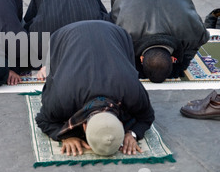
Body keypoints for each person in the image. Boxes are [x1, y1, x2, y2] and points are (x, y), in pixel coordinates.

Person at [36, 21, 155, 156]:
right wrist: (67, 136)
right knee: (53, 78)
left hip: (116, 32)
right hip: (63, 35)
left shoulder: (132, 92)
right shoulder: (63, 99)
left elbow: (147, 115)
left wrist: (133, 133)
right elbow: (43, 119)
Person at [108, 0, 210, 83]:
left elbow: (200, 40)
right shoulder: (124, 33)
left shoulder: (124, 35)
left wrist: (181, 63)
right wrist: (181, 65)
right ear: (173, 59)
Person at [23, 0, 110, 79]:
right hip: (90, 51)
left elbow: (28, 20)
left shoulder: (39, 31)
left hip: (48, 54)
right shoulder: (98, 23)